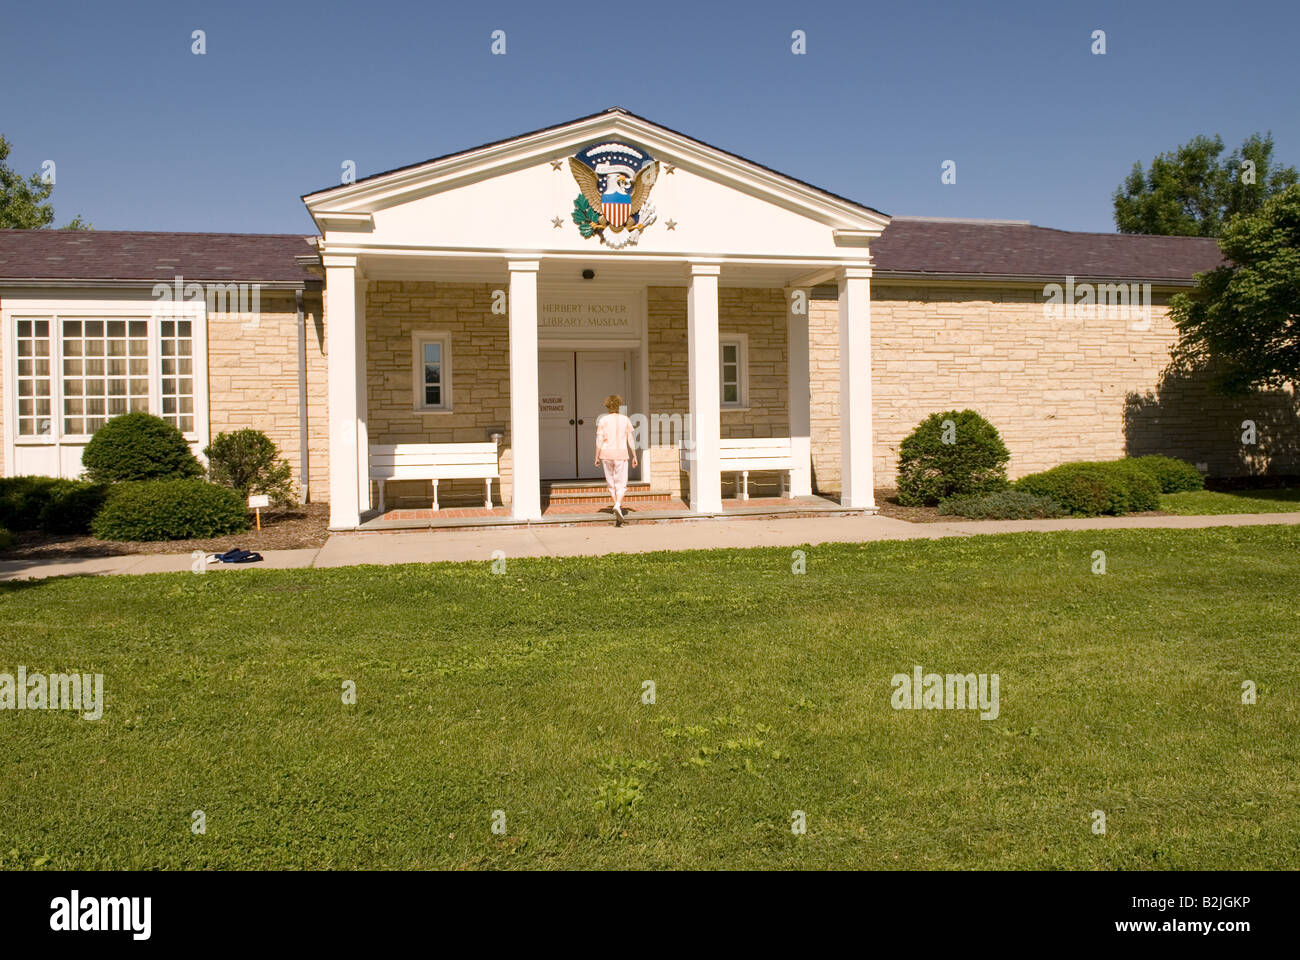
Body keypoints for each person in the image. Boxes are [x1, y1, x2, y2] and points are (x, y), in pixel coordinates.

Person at [594, 394, 637, 525]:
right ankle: (618, 505)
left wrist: (596, 456)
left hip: (606, 454)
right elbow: (630, 439)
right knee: (621, 482)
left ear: (607, 406)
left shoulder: (603, 420)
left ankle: (616, 504)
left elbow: (599, 439)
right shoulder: (625, 420)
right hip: (621, 454)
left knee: (611, 482)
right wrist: (634, 455)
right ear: (619, 405)